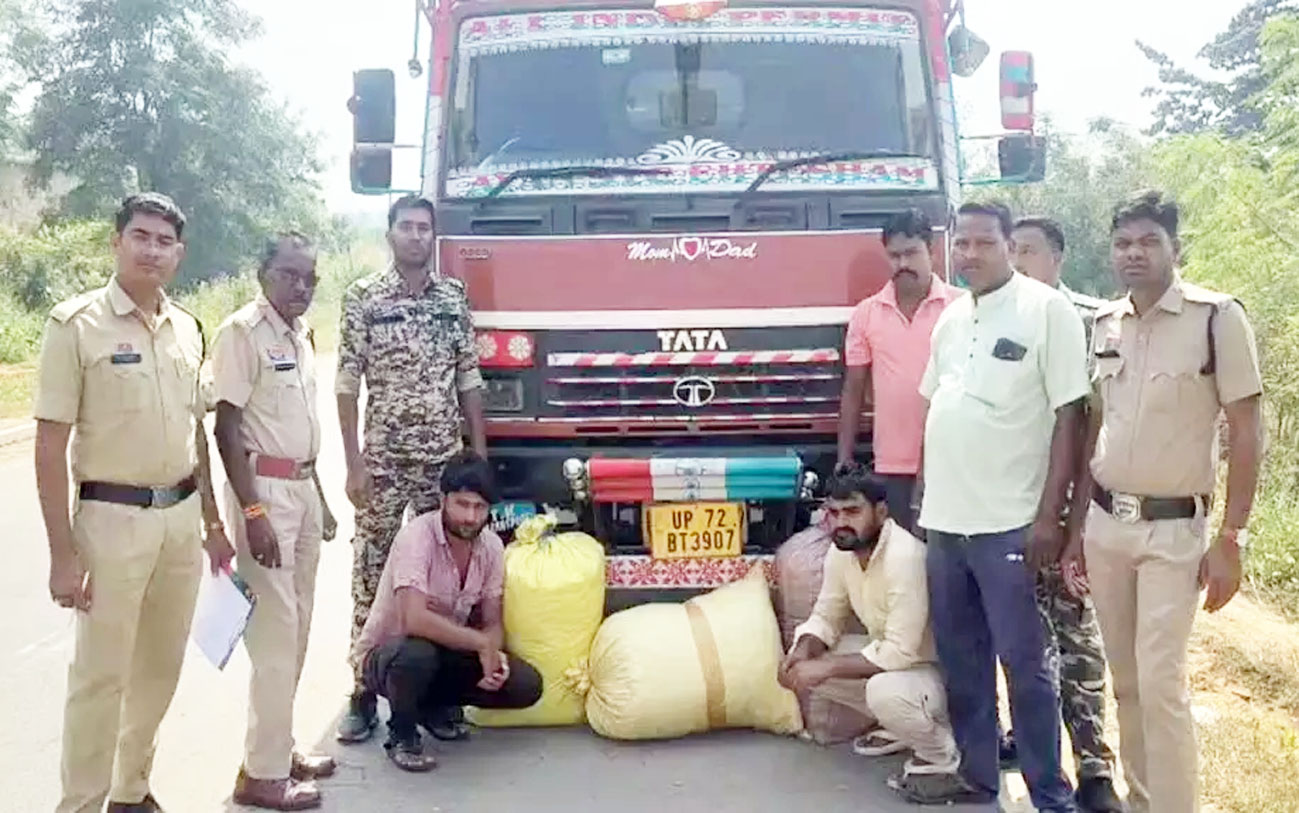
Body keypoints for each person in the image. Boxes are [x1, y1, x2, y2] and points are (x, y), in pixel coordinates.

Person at [34, 193, 235, 813]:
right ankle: (81, 803)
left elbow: (192, 432)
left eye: (164, 241)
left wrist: (212, 523)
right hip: (110, 520)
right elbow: (49, 445)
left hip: (178, 520)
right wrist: (62, 556)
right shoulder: (76, 326)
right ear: (116, 242)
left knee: (158, 671)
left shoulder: (187, 328)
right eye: (140, 236)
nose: (152, 250)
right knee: (99, 679)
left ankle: (130, 791)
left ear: (179, 253)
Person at [1064, 190, 1263, 813]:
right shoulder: (1104, 324)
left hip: (1174, 529)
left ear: (1176, 248)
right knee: (1125, 685)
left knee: (1162, 683)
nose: (1134, 254)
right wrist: (1074, 531)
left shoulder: (1217, 319)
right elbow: (1094, 427)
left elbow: (1247, 432)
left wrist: (1231, 539)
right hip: (1105, 526)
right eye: (1123, 243)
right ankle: (1143, 800)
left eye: (1149, 241)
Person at [917, 201, 1088, 810]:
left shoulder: (1048, 311)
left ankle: (1050, 793)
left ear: (1009, 245)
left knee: (1026, 666)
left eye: (982, 242)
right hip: (946, 524)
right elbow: (936, 407)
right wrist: (923, 494)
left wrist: (1051, 518)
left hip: (1009, 524)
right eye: (960, 243)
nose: (968, 254)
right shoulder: (950, 320)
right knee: (963, 663)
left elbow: (1072, 415)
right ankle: (979, 776)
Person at [335, 195, 488, 743]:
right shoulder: (364, 299)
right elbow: (347, 384)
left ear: (434, 236)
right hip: (382, 462)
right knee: (372, 577)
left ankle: (436, 699)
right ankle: (360, 691)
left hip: (441, 465)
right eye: (407, 227)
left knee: (445, 582)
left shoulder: (453, 297)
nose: (416, 236)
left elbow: (469, 379)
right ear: (390, 234)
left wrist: (478, 460)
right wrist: (353, 463)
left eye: (425, 228)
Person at [211, 233, 340, 810]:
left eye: (310, 277)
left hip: (302, 488)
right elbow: (227, 428)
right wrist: (253, 512)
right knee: (274, 635)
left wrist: (322, 499)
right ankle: (261, 777)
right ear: (263, 273)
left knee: (301, 626)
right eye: (290, 275)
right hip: (264, 493)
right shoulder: (242, 332)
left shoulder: (301, 334)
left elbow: (300, 424)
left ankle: (277, 747)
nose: (301, 287)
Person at [1007, 216, 1123, 813]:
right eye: (1012, 250)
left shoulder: (1087, 322)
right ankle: (1029, 740)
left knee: (1075, 633)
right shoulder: (997, 317)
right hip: (1009, 506)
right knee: (1023, 637)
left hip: (1072, 506)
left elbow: (1091, 429)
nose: (1017, 260)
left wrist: (1074, 525)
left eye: (1028, 250)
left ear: (1057, 256)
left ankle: (1096, 767)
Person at [351, 452, 543, 771]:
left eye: (479, 507)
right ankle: (401, 735)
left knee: (526, 684)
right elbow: (413, 619)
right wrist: (479, 643)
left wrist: (492, 652)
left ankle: (434, 707)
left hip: (444, 652)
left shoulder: (492, 546)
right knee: (416, 655)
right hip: (389, 656)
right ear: (443, 500)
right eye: (462, 505)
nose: (470, 517)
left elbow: (492, 619)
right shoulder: (417, 537)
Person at [778, 470, 961, 801]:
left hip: (938, 675)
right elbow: (826, 616)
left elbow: (899, 653)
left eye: (852, 512)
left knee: (882, 691)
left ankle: (943, 756)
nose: (840, 523)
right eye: (833, 513)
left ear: (880, 512)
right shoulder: (842, 553)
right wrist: (802, 652)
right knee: (803, 667)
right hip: (901, 669)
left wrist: (827, 667)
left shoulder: (904, 557)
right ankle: (904, 728)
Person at [836, 209, 960, 533]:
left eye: (911, 253)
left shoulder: (961, 309)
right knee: (901, 563)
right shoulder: (867, 314)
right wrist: (844, 458)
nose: (902, 263)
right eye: (894, 255)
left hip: (955, 460)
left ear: (931, 251)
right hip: (892, 466)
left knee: (945, 569)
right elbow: (854, 389)